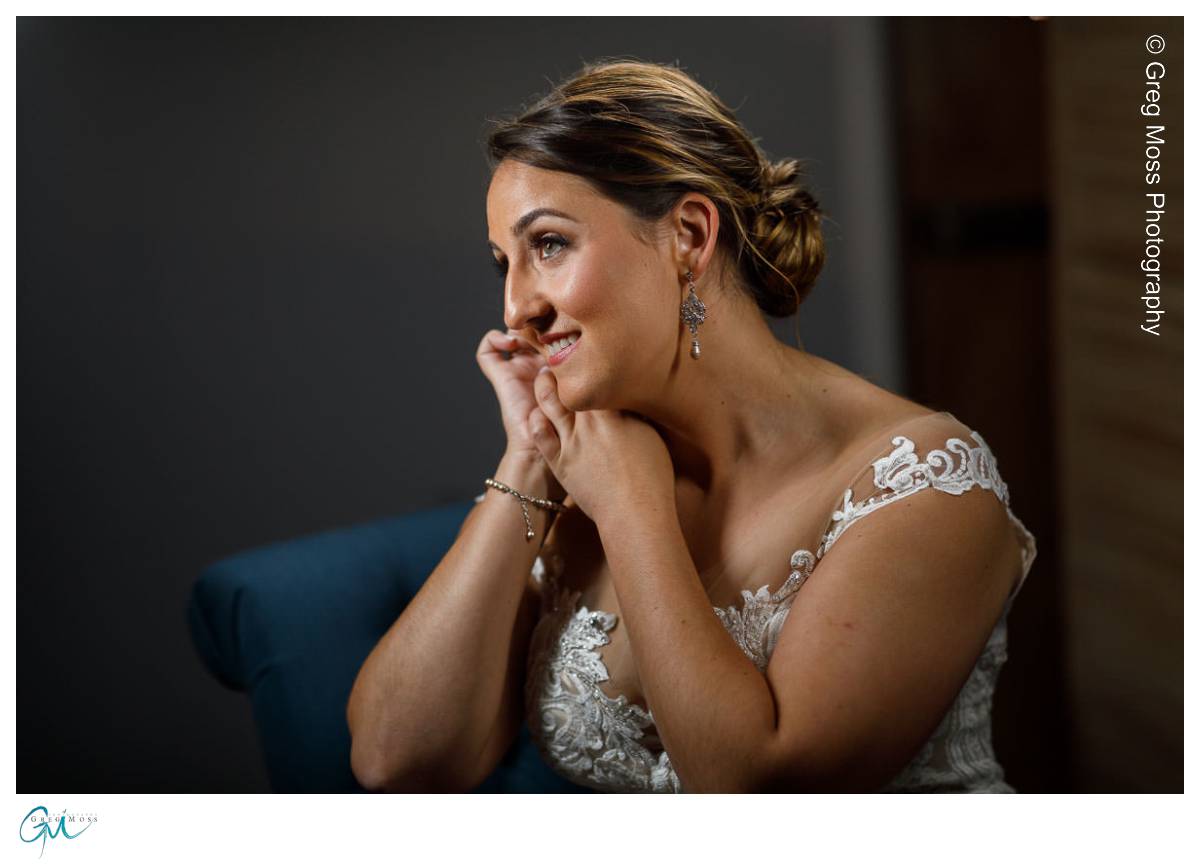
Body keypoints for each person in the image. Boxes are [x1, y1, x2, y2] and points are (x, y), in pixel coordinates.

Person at [346, 58, 1037, 794]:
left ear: (688, 234)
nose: (516, 308)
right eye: (503, 264)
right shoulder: (578, 464)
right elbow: (396, 758)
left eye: (548, 244)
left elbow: (755, 796)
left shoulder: (926, 485)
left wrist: (631, 509)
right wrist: (527, 457)